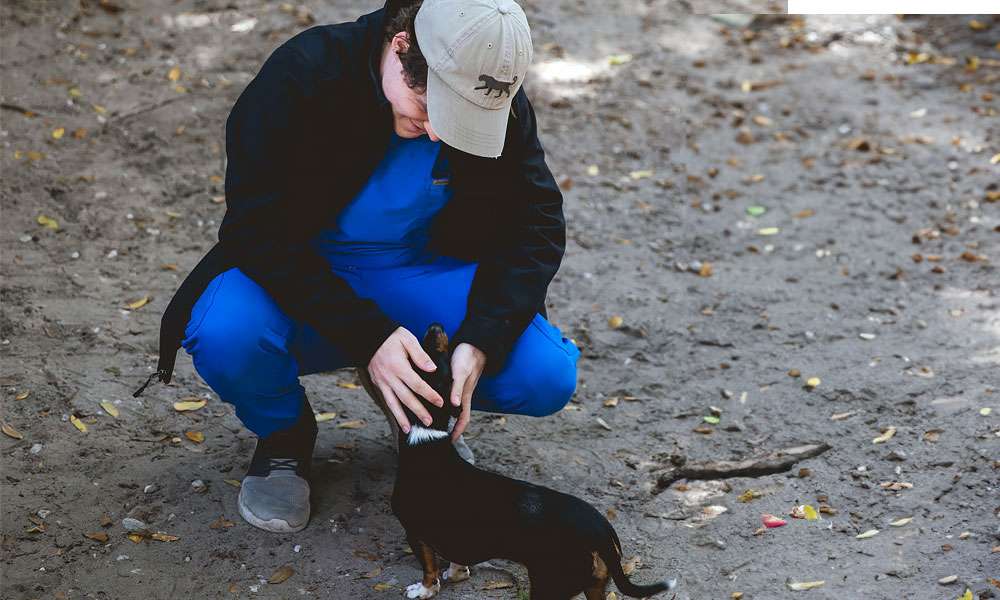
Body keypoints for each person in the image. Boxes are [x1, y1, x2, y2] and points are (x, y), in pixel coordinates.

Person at [134, 0, 580, 533]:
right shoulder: (304, 72)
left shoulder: (491, 89)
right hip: (302, 271)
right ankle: (284, 437)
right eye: (426, 107)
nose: (439, 133)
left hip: (422, 271)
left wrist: (482, 338)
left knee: (544, 375)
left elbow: (537, 221)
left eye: (459, 119)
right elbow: (255, 230)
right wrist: (368, 336)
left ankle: (420, 418)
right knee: (224, 332)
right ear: (401, 48)